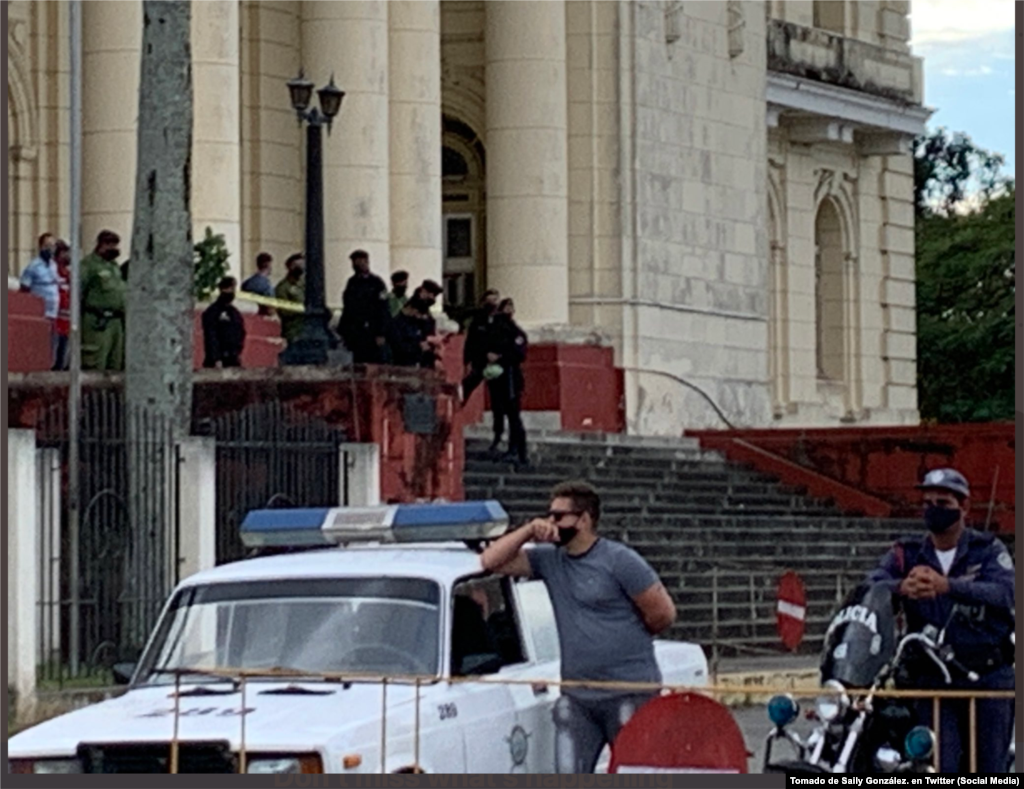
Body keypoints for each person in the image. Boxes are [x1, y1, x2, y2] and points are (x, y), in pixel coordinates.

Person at [480, 480, 678, 774]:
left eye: (559, 516)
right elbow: (490, 561)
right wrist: (529, 530)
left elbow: (663, 614)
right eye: (550, 515)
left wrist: (621, 640)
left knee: (636, 770)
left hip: (628, 689)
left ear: (583, 520)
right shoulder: (549, 560)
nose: (552, 522)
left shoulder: (619, 560)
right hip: (579, 695)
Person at [866, 468, 1014, 774]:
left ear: (964, 507)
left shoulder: (987, 550)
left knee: (989, 767)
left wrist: (949, 586)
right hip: (932, 678)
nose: (934, 510)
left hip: (985, 677)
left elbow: (1006, 593)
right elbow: (870, 586)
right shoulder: (906, 554)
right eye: (928, 503)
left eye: (943, 503)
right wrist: (900, 587)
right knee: (934, 763)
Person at [486, 298, 529, 466]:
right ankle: (498, 440)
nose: (509, 310)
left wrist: (501, 357)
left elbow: (519, 353)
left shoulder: (515, 332)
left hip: (511, 377)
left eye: (512, 307)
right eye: (506, 307)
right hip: (497, 377)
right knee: (498, 410)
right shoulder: (493, 329)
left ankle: (518, 449)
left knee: (513, 415)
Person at [80, 230, 127, 372]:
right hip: (97, 321)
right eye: (110, 244)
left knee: (116, 363)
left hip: (116, 322)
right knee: (96, 363)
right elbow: (79, 291)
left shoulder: (114, 266)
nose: (114, 249)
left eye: (115, 245)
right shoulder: (88, 265)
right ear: (101, 244)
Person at [339, 249, 390, 364]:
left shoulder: (376, 283)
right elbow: (348, 308)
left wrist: (381, 332)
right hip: (356, 332)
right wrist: (344, 331)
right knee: (358, 363)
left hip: (372, 330)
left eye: (361, 261)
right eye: (355, 262)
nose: (358, 264)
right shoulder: (352, 282)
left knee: (373, 362)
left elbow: (383, 309)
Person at [19, 233, 61, 366]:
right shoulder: (33, 266)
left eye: (53, 246)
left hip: (53, 313)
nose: (50, 249)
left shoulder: (54, 265)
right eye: (46, 246)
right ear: (40, 246)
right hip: (40, 315)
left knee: (52, 347)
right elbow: (24, 288)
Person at [387, 282, 444, 368]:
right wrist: (419, 346)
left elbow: (431, 339)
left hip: (425, 366)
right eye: (430, 294)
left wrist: (437, 356)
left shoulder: (428, 320)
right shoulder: (400, 322)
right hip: (406, 367)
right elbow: (398, 347)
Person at [460, 289, 500, 406]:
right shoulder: (478, 319)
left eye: (494, 300)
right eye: (489, 301)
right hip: (479, 360)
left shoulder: (501, 320)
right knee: (470, 383)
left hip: (499, 361)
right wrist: (467, 361)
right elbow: (471, 341)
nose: (492, 304)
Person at [202, 276, 246, 369]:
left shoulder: (234, 313)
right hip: (218, 360)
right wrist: (216, 358)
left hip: (233, 358)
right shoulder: (213, 312)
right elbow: (211, 336)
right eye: (229, 288)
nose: (231, 291)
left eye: (233, 288)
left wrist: (237, 352)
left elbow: (240, 333)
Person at [274, 257, 305, 345]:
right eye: (298, 265)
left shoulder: (304, 285)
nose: (301, 268)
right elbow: (283, 311)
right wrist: (302, 309)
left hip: (307, 330)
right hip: (293, 331)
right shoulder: (283, 287)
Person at [51, 240, 72, 371]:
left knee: (63, 354)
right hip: (54, 321)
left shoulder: (68, 274)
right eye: (63, 252)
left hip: (66, 321)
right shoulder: (51, 271)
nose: (66, 256)